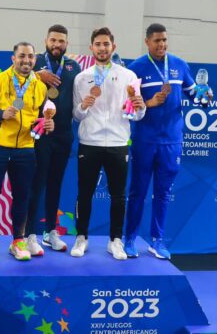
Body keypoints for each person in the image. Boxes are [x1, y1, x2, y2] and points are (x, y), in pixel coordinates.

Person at [124, 23, 206, 260]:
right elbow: (128, 105)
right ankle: (130, 238)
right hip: (144, 140)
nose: (162, 44)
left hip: (172, 141)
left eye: (164, 40)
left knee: (163, 193)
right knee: (137, 192)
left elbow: (195, 94)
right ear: (147, 42)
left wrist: (205, 96)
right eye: (157, 40)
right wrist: (149, 102)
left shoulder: (179, 65)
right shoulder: (135, 68)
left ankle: (157, 241)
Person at [0, 42, 54, 263]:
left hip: (25, 149)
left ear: (35, 60)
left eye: (30, 57)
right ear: (13, 58)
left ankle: (17, 242)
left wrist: (46, 124)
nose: (26, 61)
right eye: (21, 56)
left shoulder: (39, 87)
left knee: (22, 197)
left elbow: (40, 115)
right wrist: (0, 114)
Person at [71, 27, 146, 260]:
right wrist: (84, 105)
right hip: (89, 143)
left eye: (106, 44)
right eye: (98, 44)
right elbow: (76, 115)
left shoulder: (128, 76)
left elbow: (138, 115)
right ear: (91, 47)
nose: (102, 48)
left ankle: (115, 240)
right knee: (84, 193)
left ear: (113, 46)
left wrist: (138, 105)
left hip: (117, 143)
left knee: (118, 195)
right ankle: (81, 237)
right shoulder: (81, 78)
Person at [24, 24, 82, 256]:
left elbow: (78, 98)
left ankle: (50, 233)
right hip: (39, 134)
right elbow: (17, 82)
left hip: (63, 134)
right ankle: (29, 234)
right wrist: (38, 75)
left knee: (55, 184)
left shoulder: (73, 67)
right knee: (36, 184)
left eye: (61, 41)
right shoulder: (34, 62)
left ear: (66, 44)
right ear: (46, 41)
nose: (57, 44)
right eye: (53, 40)